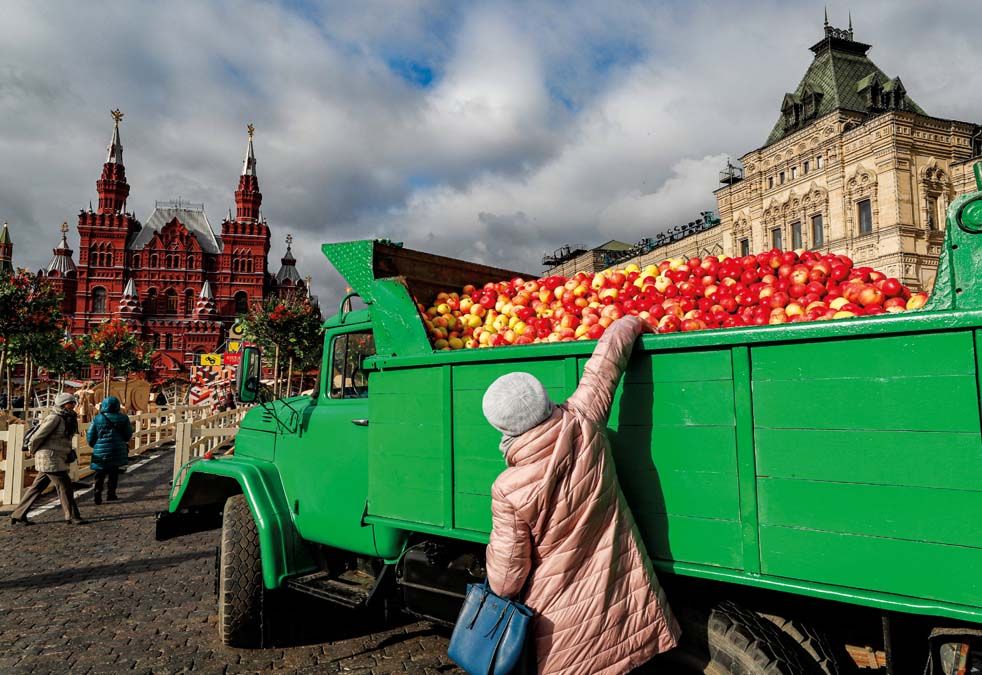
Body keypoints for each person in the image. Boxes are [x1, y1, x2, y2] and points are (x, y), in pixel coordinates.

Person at [482, 316, 680, 675]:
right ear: (543, 399)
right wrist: (634, 322)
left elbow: (506, 581)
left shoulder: (508, 488)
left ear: (502, 427)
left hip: (566, 633)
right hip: (628, 605)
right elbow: (604, 365)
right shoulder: (585, 420)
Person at [10, 393, 86, 526]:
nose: (73, 405)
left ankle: (18, 514)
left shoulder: (67, 417)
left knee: (37, 487)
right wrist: (31, 450)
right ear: (62, 404)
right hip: (50, 458)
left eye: (73, 402)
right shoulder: (54, 418)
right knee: (65, 486)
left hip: (56, 457)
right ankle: (72, 516)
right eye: (70, 402)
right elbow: (39, 436)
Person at [87, 396, 133, 505]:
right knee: (114, 473)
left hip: (101, 449)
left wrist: (95, 445)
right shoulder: (123, 418)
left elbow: (90, 435)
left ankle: (97, 495)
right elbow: (128, 435)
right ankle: (111, 494)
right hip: (117, 449)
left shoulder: (98, 418)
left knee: (99, 474)